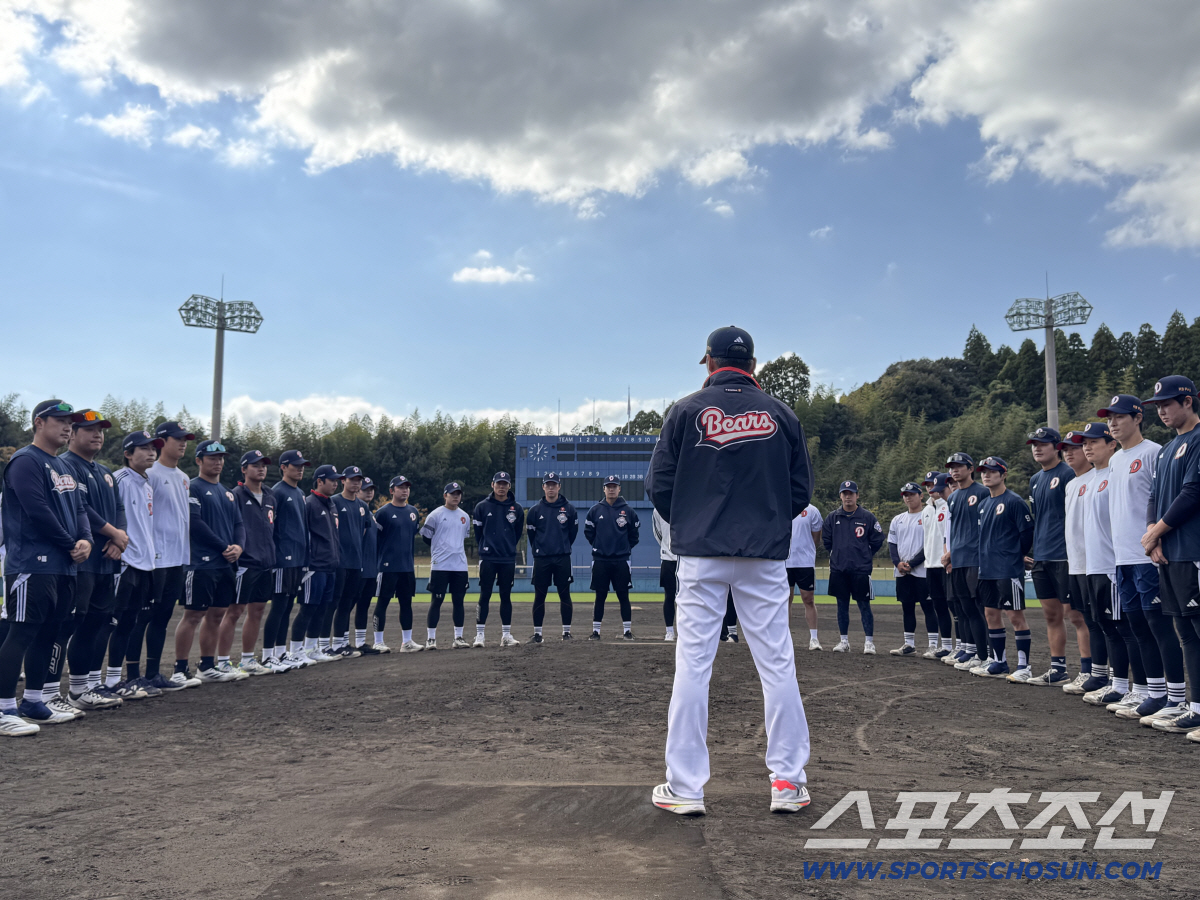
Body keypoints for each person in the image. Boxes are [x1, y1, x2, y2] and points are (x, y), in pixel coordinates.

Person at [646, 325, 814, 816]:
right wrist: (765, 520)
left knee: (693, 663)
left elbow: (659, 485)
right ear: (753, 365)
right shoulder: (782, 414)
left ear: (709, 362)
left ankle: (685, 788)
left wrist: (694, 520)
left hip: (701, 553)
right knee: (777, 663)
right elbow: (800, 491)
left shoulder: (685, 410)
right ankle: (787, 782)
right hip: (764, 555)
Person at [0, 400, 92, 736]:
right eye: (60, 421)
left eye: (70, 423)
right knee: (22, 633)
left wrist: (86, 540)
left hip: (64, 566)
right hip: (31, 564)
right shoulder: (25, 460)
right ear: (39, 422)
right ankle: (4, 708)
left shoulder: (64, 466)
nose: (67, 427)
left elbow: (80, 508)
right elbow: (36, 509)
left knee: (49, 634)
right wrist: (70, 543)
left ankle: (34, 702)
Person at [1102, 394, 1186, 721]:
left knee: (1158, 626)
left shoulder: (1154, 452)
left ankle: (1176, 696)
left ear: (1138, 418)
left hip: (1147, 556)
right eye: (1109, 418)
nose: (1113, 423)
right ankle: (1154, 692)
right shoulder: (1115, 460)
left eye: (1119, 416)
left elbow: (1163, 500)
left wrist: (1157, 539)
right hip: (1122, 558)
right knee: (1137, 625)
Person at [52, 410, 127, 713]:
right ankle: (45, 693)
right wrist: (114, 534)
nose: (97, 435)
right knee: (69, 623)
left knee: (96, 623)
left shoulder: (106, 472)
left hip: (106, 560)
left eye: (101, 430)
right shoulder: (66, 465)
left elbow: (119, 508)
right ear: (72, 433)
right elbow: (80, 507)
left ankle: (80, 690)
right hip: (80, 561)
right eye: (89, 429)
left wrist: (119, 539)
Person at [1141, 376, 1200, 735]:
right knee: (1186, 633)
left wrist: (1156, 532)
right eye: (1158, 406)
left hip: (1193, 551)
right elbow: (1154, 496)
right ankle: (1196, 709)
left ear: (1188, 401)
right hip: (1170, 554)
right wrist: (1153, 535)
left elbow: (1192, 493)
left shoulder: (1198, 440)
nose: (1161, 411)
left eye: (1167, 404)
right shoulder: (1166, 449)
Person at [1075, 423, 1146, 709]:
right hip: (1093, 565)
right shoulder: (1090, 480)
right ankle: (1119, 685)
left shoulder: (1115, 473)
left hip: (1112, 564)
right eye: (1084, 443)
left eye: (1093, 442)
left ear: (1111, 444)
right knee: (1107, 627)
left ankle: (1139, 688)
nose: (1087, 447)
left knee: (1126, 629)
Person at [174, 439, 246, 685]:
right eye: (212, 458)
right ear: (199, 460)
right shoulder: (192, 487)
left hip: (225, 564)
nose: (218, 462)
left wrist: (239, 547)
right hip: (201, 563)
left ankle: (206, 666)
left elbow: (239, 524)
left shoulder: (228, 493)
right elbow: (195, 523)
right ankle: (180, 669)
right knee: (193, 615)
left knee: (217, 615)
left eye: (221, 458)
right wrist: (223, 547)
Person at [1022, 427, 1088, 687]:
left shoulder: (1069, 473)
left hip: (1065, 555)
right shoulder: (1035, 479)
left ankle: (1088, 670)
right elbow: (1038, 518)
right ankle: (1058, 669)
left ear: (1056, 447)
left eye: (1043, 444)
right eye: (1034, 444)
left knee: (1076, 615)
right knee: (1051, 615)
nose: (1037, 448)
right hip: (1042, 556)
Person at [136, 421, 195, 692]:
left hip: (176, 557)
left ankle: (153, 673)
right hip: (155, 558)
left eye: (185, 439)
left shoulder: (184, 477)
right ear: (162, 441)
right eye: (177, 438)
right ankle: (132, 674)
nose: (183, 443)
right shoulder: (151, 473)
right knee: (143, 617)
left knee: (163, 618)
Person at [107, 431, 162, 701]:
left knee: (130, 622)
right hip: (125, 562)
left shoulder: (147, 484)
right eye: (144, 448)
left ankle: (119, 680)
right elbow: (107, 515)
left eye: (154, 448)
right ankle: (101, 681)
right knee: (111, 623)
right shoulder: (118, 480)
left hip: (145, 563)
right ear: (128, 454)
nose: (152, 452)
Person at [971, 457, 1034, 680]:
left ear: (1004, 474)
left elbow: (1027, 533)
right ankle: (999, 662)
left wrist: (1017, 555)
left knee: (1015, 617)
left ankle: (1024, 666)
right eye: (983, 471)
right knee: (990, 615)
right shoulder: (983, 505)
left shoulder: (1014, 501)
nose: (986, 475)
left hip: (1008, 569)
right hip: (986, 569)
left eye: (991, 471)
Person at [222, 450, 279, 675]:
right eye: (255, 465)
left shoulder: (270, 495)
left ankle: (247, 659)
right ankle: (223, 661)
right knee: (234, 612)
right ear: (244, 469)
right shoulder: (235, 495)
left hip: (266, 562)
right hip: (245, 562)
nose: (261, 469)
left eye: (263, 465)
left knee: (258, 611)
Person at [1057, 431, 1106, 696]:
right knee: (1085, 618)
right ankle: (1091, 672)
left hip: (1095, 563)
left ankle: (1107, 675)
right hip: (1075, 562)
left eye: (1075, 447)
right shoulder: (1071, 484)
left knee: (1102, 621)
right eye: (1066, 449)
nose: (1070, 453)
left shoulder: (1098, 477)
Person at [943, 452, 991, 672]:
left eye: (959, 466)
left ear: (971, 469)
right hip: (959, 560)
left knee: (979, 608)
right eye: (951, 467)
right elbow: (954, 530)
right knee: (966, 608)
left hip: (976, 559)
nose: (954, 470)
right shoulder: (952, 498)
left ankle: (986, 655)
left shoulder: (982, 492)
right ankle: (974, 652)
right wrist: (950, 555)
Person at [263, 449, 310, 669]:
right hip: (283, 558)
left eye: (302, 466)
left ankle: (281, 653)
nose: (300, 469)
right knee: (279, 607)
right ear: (283, 467)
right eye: (295, 465)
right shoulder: (277, 492)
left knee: (288, 607)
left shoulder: (300, 493)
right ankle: (267, 654)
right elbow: (270, 526)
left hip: (297, 559)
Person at [822, 481, 883, 654]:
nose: (848, 497)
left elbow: (877, 540)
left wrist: (865, 554)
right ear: (840, 496)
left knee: (864, 605)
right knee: (842, 605)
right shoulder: (833, 517)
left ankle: (869, 642)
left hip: (860, 569)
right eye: (845, 493)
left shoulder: (867, 517)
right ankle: (844, 641)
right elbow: (827, 541)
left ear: (857, 495)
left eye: (851, 493)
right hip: (839, 569)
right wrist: (838, 555)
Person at [293, 464, 341, 663]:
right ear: (320, 481)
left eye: (337, 480)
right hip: (314, 566)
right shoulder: (309, 503)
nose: (335, 484)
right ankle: (296, 650)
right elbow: (302, 534)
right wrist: (306, 563)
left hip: (330, 565)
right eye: (332, 480)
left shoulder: (331, 504)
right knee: (308, 609)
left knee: (322, 609)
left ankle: (312, 649)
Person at [472, 471, 525, 648]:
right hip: (488, 558)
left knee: (506, 596)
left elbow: (517, 533)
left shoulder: (516, 508)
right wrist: (486, 547)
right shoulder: (482, 507)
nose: (501, 487)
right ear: (492, 485)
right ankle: (480, 635)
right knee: (485, 595)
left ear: (509, 486)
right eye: (498, 483)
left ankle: (506, 635)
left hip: (507, 559)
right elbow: (478, 534)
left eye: (505, 484)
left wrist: (507, 547)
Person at [585, 475, 641, 640]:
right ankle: (596, 632)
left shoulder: (628, 511)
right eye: (608, 486)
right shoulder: (595, 510)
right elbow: (589, 533)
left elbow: (634, 536)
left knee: (623, 595)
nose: (611, 489)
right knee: (600, 596)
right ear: (604, 489)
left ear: (619, 489)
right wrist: (599, 546)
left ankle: (627, 631)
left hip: (621, 560)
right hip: (601, 560)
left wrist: (623, 549)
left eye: (614, 486)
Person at [525, 472, 578, 642]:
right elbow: (532, 535)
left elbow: (572, 533)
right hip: (542, 559)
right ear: (543, 487)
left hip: (562, 558)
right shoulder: (535, 511)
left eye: (554, 485)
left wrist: (562, 546)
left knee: (565, 594)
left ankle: (566, 633)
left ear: (559, 487)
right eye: (548, 485)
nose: (551, 488)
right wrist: (540, 549)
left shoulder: (569, 509)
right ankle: (538, 634)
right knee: (540, 596)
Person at [374, 475, 423, 652]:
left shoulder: (413, 512)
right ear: (392, 490)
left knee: (406, 603)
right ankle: (378, 641)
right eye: (401, 487)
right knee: (382, 603)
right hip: (387, 567)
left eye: (407, 487)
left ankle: (407, 642)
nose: (405, 490)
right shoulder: (383, 513)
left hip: (406, 567)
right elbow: (375, 539)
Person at [422, 482, 472, 649]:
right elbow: (426, 537)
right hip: (440, 565)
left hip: (460, 566)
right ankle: (431, 639)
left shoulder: (465, 517)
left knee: (458, 601)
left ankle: (458, 637)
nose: (456, 496)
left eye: (458, 493)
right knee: (436, 601)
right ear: (445, 495)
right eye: (452, 494)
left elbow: (463, 537)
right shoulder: (435, 515)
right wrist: (439, 549)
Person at [888, 482, 936, 658]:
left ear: (921, 496)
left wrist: (913, 563)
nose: (908, 498)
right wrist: (897, 563)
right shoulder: (898, 519)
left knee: (928, 607)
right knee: (907, 607)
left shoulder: (928, 515)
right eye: (905, 495)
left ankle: (933, 645)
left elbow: (930, 543)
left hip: (922, 570)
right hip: (902, 572)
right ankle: (909, 644)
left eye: (912, 494)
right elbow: (892, 544)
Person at [327, 465, 369, 658]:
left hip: (355, 562)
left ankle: (341, 643)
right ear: (343, 480)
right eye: (352, 479)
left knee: (347, 603)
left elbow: (364, 531)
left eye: (359, 480)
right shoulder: (334, 501)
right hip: (339, 561)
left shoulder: (363, 506)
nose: (356, 483)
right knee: (333, 603)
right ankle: (324, 644)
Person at [919, 472, 954, 659]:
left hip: (945, 564)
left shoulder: (948, 506)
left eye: (933, 484)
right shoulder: (926, 510)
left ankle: (962, 646)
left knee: (954, 606)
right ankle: (946, 645)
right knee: (939, 606)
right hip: (930, 564)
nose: (930, 488)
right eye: (927, 485)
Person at [785, 503, 823, 651]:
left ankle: (814, 638)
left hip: (805, 563)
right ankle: (785, 638)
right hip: (785, 562)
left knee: (808, 599)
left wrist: (807, 551)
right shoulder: (782, 506)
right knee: (785, 600)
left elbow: (816, 538)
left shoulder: (812, 510)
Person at [352, 477, 383, 654]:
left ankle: (360, 642)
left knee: (364, 605)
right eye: (365, 489)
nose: (369, 492)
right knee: (346, 606)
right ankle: (339, 642)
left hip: (371, 568)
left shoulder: (370, 514)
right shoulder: (356, 511)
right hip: (357, 568)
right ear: (357, 491)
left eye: (371, 489)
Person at [652, 508, 678, 642]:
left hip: (686, 559)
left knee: (689, 597)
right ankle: (669, 631)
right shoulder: (658, 509)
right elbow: (657, 533)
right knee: (669, 596)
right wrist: (667, 548)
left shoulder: (689, 504)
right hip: (668, 559)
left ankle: (686, 632)